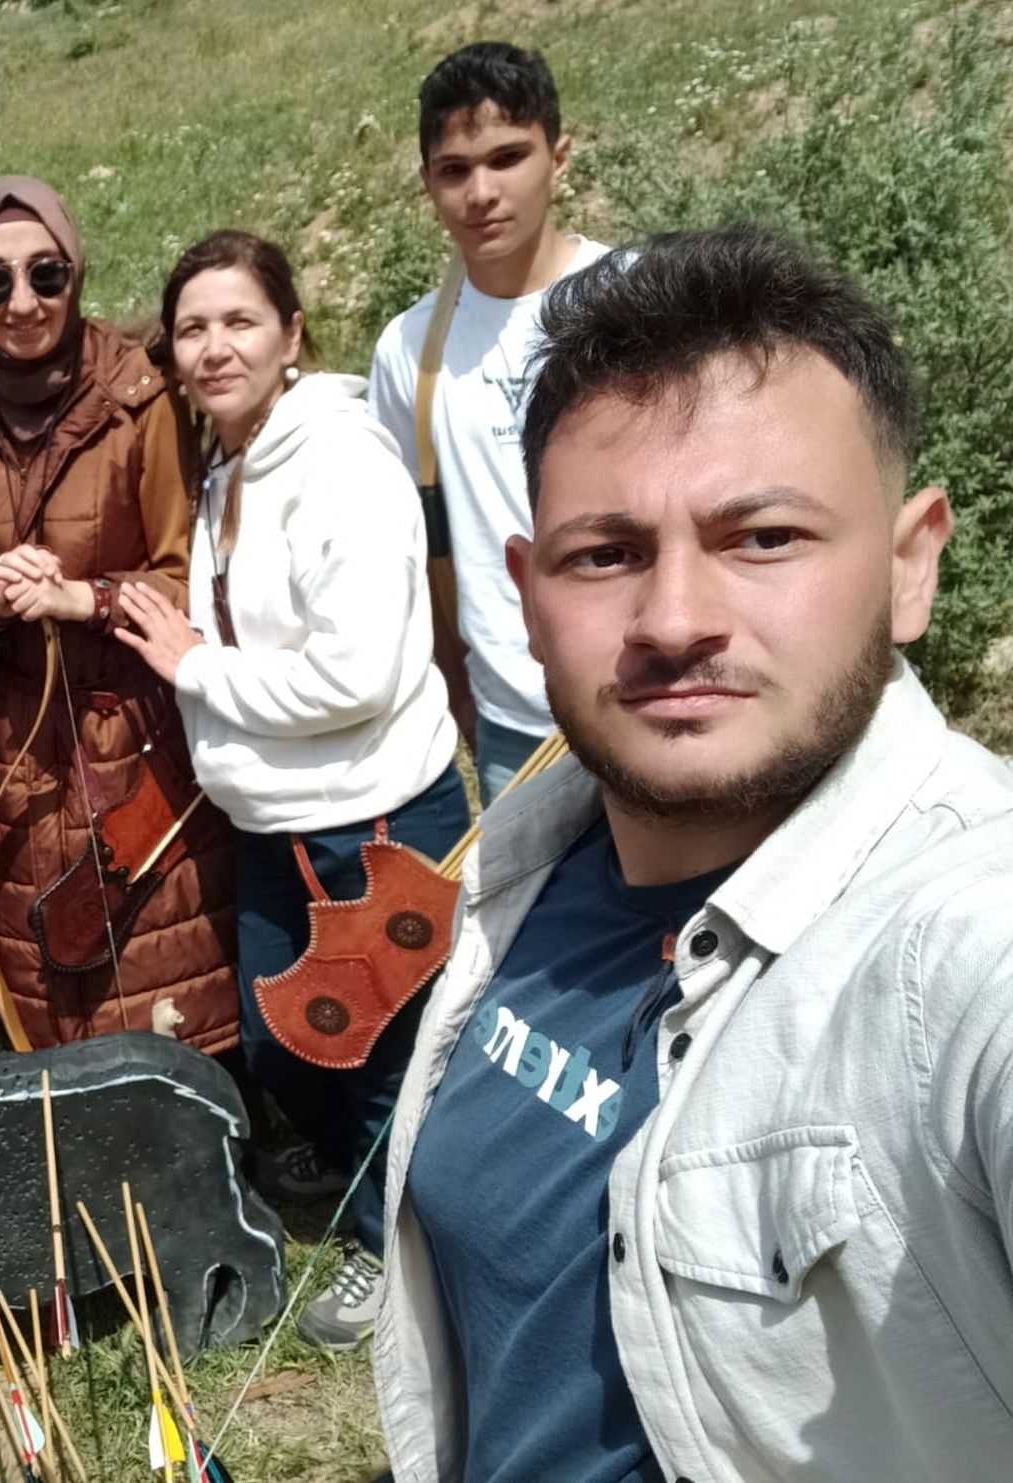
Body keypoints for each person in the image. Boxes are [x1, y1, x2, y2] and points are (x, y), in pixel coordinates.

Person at [373, 228, 1013, 1481]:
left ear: (908, 564)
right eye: (604, 554)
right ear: (525, 594)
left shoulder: (958, 944)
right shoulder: (526, 865)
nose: (672, 620)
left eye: (762, 537)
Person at [116, 231, 465, 1352]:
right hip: (279, 823)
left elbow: (355, 676)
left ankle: (396, 1251)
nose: (214, 347)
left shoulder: (341, 465)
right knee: (280, 1040)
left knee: (377, 1053)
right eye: (192, 327)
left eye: (240, 322)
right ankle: (361, 1164)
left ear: (291, 334)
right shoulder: (229, 462)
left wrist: (195, 670)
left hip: (367, 819)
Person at [0, 175, 240, 1054]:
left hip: (137, 730)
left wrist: (84, 599)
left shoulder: (141, 397)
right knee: (39, 996)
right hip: (8, 747)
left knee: (167, 982)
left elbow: (184, 576)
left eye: (45, 274)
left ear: (75, 272)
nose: (23, 302)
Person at [367, 42, 612, 801]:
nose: (481, 193)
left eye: (508, 158)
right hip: (512, 730)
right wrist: (457, 687)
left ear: (558, 157)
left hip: (649, 698)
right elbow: (413, 540)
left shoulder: (637, 299)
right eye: (455, 170)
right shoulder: (409, 349)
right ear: (428, 183)